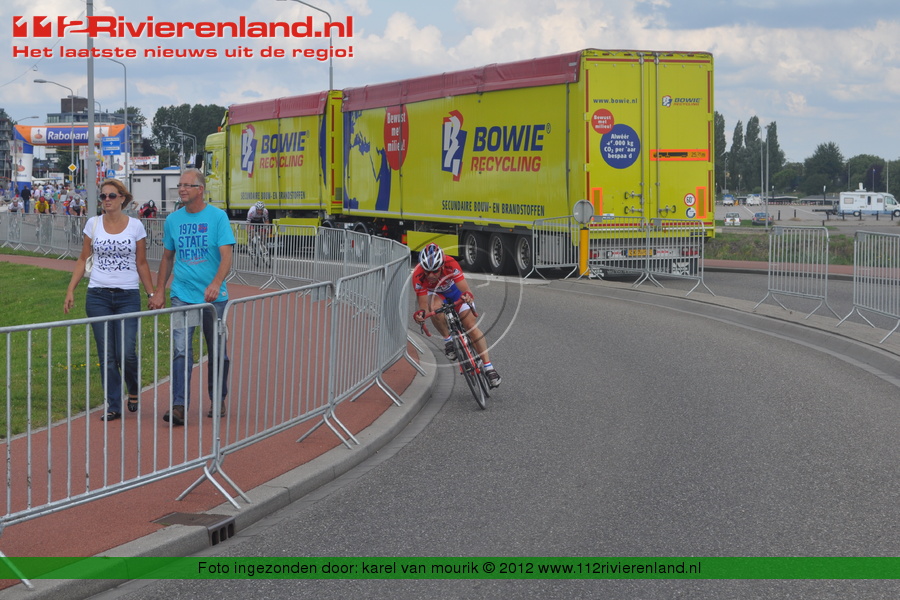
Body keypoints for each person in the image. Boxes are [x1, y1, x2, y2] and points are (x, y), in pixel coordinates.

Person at [63, 178, 157, 421]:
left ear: (122, 198)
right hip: (98, 296)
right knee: (107, 355)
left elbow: (141, 263)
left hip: (128, 296)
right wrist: (71, 290)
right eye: (103, 196)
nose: (106, 200)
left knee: (126, 352)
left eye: (111, 196)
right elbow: (83, 259)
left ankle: (133, 388)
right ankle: (113, 404)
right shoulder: (93, 224)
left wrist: (151, 294)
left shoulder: (135, 226)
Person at [148, 168, 235, 424]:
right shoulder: (173, 220)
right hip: (182, 296)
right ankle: (179, 405)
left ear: (201, 189)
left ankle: (217, 398)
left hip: (214, 299)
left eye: (187, 185)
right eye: (180, 185)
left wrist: (216, 283)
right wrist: (159, 291)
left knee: (218, 351)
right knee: (180, 350)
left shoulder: (218, 217)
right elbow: (167, 258)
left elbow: (226, 255)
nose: (182, 189)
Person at [411, 243, 501, 387]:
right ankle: (448, 341)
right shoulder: (418, 275)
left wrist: (467, 297)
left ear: (442, 266)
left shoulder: (450, 263)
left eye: (435, 271)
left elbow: (465, 290)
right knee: (434, 308)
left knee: (470, 326)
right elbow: (423, 305)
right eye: (427, 272)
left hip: (455, 292)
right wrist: (420, 314)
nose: (431, 275)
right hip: (436, 295)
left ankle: (489, 367)